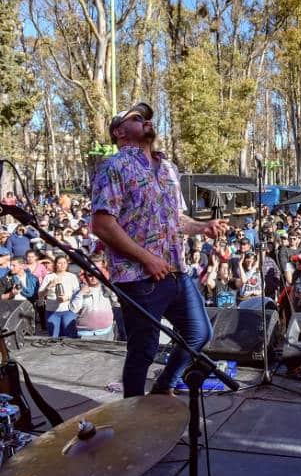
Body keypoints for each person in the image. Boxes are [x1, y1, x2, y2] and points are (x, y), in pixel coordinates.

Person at [91, 102, 228, 397]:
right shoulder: (113, 167)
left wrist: (202, 227)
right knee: (143, 350)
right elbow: (102, 225)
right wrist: (147, 259)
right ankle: (133, 416)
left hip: (176, 270)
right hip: (137, 277)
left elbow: (175, 218)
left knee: (198, 333)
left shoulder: (167, 168)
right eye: (137, 118)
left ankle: (163, 387)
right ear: (119, 132)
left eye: (149, 118)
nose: (147, 121)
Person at [38, 255, 80, 337]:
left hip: (68, 310)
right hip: (52, 311)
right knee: (54, 337)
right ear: (55, 265)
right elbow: (40, 295)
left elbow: (77, 294)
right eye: (59, 263)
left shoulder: (72, 276)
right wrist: (49, 286)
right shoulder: (49, 277)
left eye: (64, 263)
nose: (62, 265)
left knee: (70, 336)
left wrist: (67, 298)